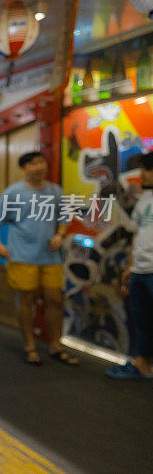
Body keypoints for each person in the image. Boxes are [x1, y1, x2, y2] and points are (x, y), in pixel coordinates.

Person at [0, 151, 78, 366]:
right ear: (23, 169)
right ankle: (30, 346)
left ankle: (55, 345)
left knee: (55, 300)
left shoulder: (55, 191)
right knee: (26, 300)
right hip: (22, 255)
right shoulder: (13, 193)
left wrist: (60, 234)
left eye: (41, 162)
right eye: (33, 163)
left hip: (51, 256)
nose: (39, 166)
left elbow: (63, 218)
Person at [107, 151, 153, 379]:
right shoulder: (145, 199)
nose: (143, 174)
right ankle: (143, 364)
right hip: (140, 271)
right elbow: (137, 235)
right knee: (143, 321)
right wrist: (130, 267)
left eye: (148, 169)